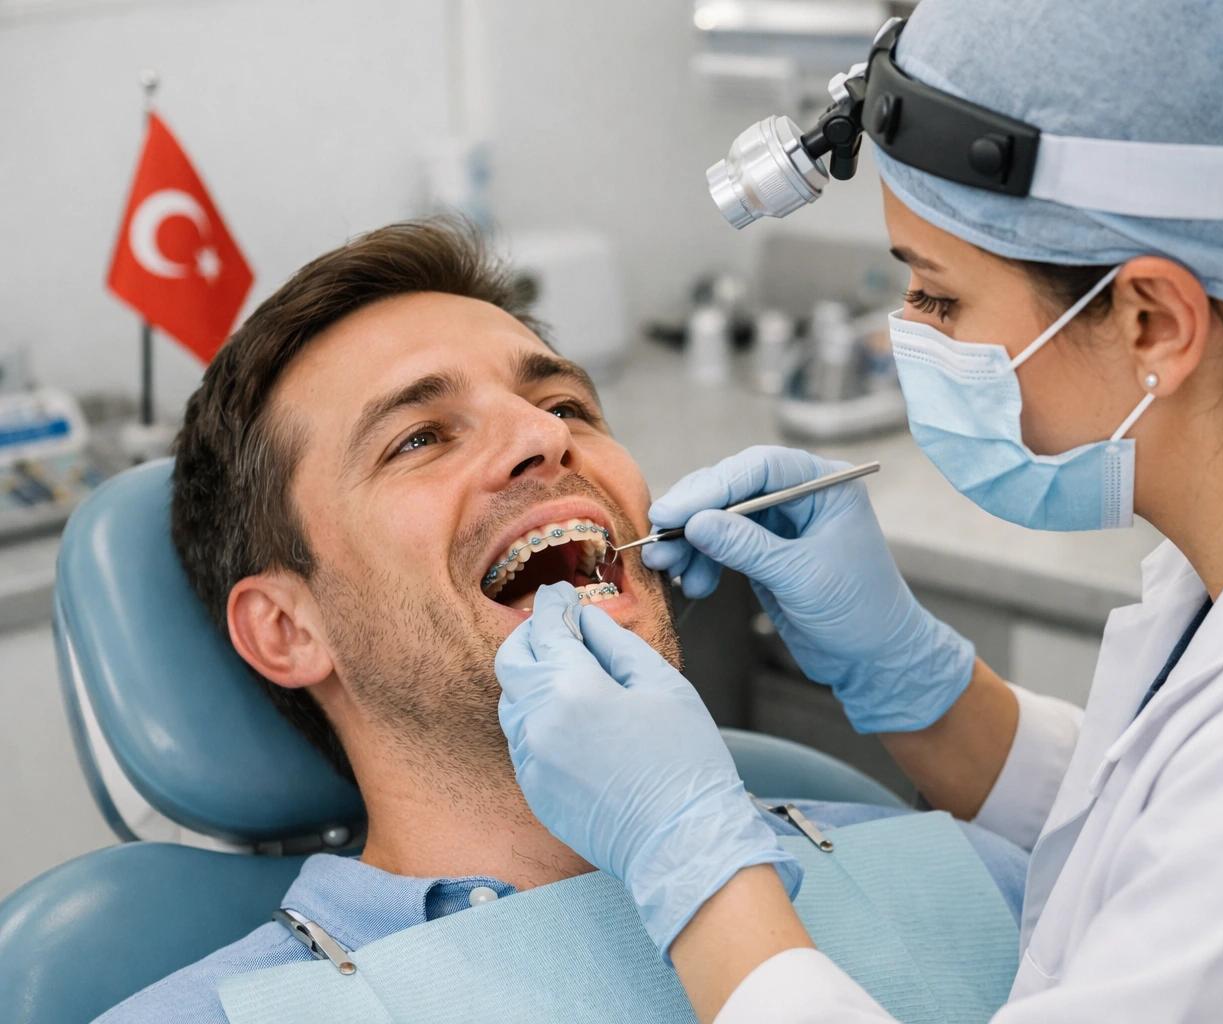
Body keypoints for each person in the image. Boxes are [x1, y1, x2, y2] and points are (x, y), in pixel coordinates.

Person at [494, 0, 1223, 1020]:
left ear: (1153, 320)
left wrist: (692, 856)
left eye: (940, 297)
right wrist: (920, 686)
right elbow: (1158, 827)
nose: (911, 338)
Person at [94, 220, 1028, 1023]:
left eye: (564, 404)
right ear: (288, 631)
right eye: (418, 437)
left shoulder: (984, 876)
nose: (547, 438)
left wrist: (924, 685)